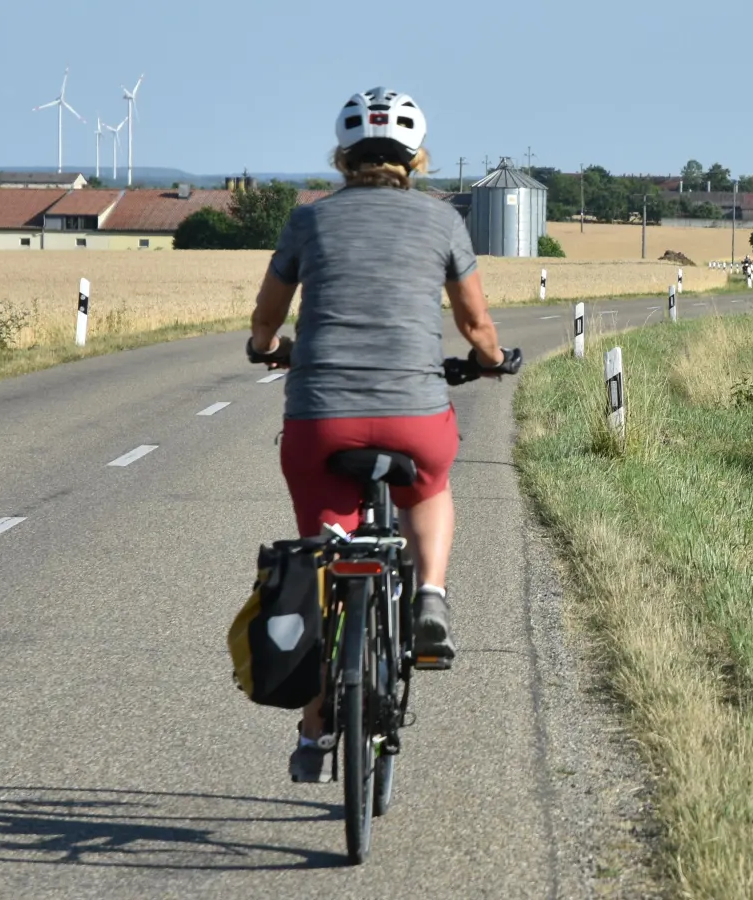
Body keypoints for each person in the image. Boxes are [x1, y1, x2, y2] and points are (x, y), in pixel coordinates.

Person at [246, 86, 522, 782]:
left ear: (343, 156)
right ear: (416, 157)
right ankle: (430, 593)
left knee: (320, 560)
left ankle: (314, 732)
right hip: (413, 412)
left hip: (321, 415)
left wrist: (266, 345)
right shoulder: (442, 223)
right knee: (428, 488)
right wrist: (492, 362)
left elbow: (267, 315)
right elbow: (475, 326)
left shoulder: (308, 222)